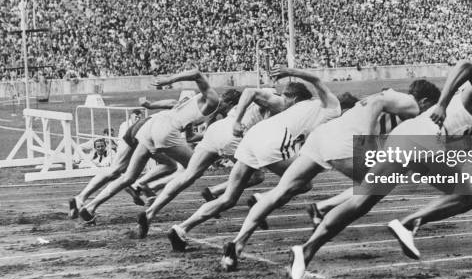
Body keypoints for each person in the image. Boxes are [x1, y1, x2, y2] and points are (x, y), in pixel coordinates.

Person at [287, 58, 472, 279]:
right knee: (464, 197)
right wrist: (441, 103)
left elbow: (471, 125)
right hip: (425, 136)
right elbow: (466, 66)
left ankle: (306, 251)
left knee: (360, 201)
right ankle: (408, 224)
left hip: (409, 135)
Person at [226, 80, 441, 266]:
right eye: (430, 107)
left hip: (323, 137)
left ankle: (237, 244)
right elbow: (377, 104)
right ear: (425, 101)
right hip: (344, 142)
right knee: (378, 183)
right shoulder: (411, 104)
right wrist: (367, 138)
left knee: (280, 192)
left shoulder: (392, 100)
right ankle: (321, 211)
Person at [166, 67, 341, 262]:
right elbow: (316, 79)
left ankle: (181, 228)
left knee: (228, 198)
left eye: (288, 98)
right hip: (272, 140)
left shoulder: (316, 108)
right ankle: (258, 204)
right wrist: (290, 71)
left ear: (297, 98)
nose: (285, 102)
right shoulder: (326, 108)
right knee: (303, 183)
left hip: (254, 136)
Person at [135, 84, 302, 238]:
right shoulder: (278, 101)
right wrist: (238, 122)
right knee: (256, 178)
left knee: (188, 175)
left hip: (217, 130)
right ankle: (255, 201)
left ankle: (150, 212)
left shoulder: (259, 105)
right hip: (235, 136)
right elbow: (250, 92)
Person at [77, 68, 235, 223]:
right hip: (167, 129)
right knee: (192, 169)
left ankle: (91, 207)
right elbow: (196, 73)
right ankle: (151, 189)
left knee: (128, 176)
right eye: (231, 109)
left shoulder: (198, 106)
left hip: (153, 125)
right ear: (228, 103)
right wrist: (169, 80)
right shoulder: (213, 98)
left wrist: (209, 135)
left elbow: (191, 136)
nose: (229, 113)